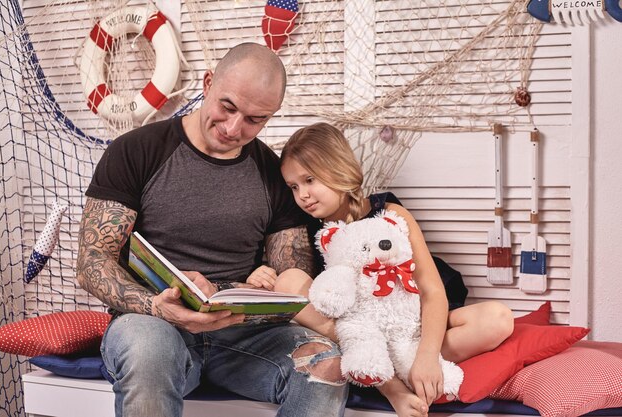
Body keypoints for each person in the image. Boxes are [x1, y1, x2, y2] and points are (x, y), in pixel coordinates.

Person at [76, 44, 349, 417]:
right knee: (148, 349)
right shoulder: (136, 151)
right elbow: (92, 261)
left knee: (326, 363)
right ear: (207, 84)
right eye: (228, 107)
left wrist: (237, 292)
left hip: (244, 337)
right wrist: (159, 306)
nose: (234, 128)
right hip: (153, 324)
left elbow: (292, 281)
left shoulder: (275, 173)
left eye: (255, 119)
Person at [250, 122, 514, 417]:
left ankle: (405, 363)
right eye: (294, 187)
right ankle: (389, 385)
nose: (303, 195)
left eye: (310, 180)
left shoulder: (390, 214)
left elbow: (431, 289)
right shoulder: (308, 231)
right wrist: (259, 274)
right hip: (359, 334)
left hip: (409, 323)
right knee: (287, 281)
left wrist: (427, 357)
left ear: (338, 168)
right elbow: (294, 287)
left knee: (498, 319)